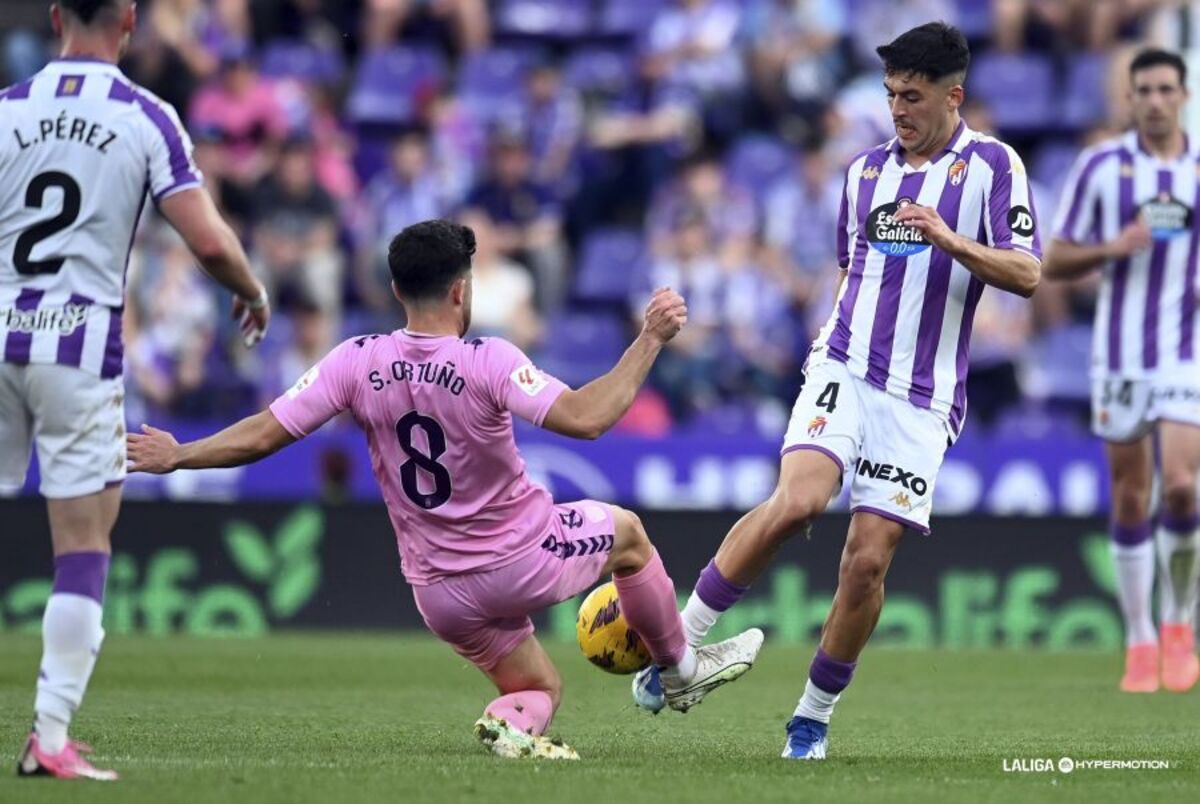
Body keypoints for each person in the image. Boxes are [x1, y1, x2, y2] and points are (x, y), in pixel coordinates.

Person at [125, 220, 764, 760]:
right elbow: (587, 419)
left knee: (539, 689)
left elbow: (266, 433)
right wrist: (649, 338)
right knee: (626, 533)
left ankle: (510, 725)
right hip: (520, 559)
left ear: (397, 288)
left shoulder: (355, 360)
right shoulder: (487, 360)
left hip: (437, 593)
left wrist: (180, 454)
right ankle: (679, 671)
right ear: (462, 291)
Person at [633, 22, 1041, 759]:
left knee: (866, 561)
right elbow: (854, 273)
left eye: (912, 97)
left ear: (954, 96)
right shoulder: (861, 175)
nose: (897, 110)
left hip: (922, 396)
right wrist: (833, 350)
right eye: (890, 95)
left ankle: (811, 718)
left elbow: (1028, 273)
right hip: (846, 366)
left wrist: (950, 239)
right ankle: (677, 653)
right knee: (797, 503)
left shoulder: (993, 167)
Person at [0, 0, 270, 781]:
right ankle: (48, 737)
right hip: (78, 351)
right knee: (82, 546)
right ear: (129, 19)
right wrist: (252, 290)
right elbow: (210, 241)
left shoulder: (8, 110)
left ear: (54, 17)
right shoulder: (144, 115)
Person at [1044, 48, 1200, 695]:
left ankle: (1179, 623)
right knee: (1131, 496)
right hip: (1118, 353)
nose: (1156, 100)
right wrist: (1113, 246)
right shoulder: (1102, 167)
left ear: (1185, 95)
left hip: (1186, 351)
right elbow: (1052, 261)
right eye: (1145, 90)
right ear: (1130, 99)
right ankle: (1138, 636)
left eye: (1167, 89)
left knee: (1185, 487)